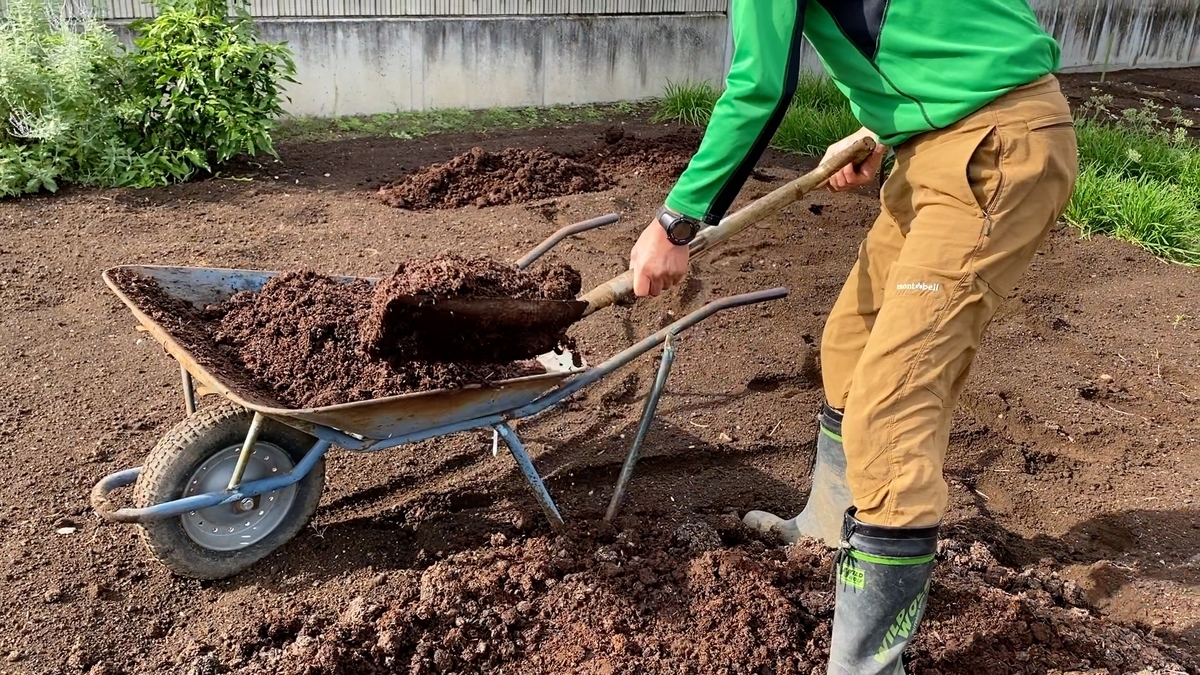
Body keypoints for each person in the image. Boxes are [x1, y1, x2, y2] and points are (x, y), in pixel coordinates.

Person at [628, 1, 1079, 672]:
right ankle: (827, 528)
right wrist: (884, 128)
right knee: (850, 345)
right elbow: (939, 29)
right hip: (937, 142)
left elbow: (759, 87)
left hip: (993, 149)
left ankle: (867, 665)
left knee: (889, 407)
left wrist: (677, 221)